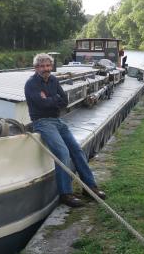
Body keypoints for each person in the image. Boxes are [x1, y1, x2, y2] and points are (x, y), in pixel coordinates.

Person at [24, 53, 106, 208]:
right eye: (42, 66)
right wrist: (53, 99)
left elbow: (64, 101)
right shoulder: (31, 84)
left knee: (77, 150)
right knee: (63, 153)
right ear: (36, 68)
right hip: (42, 122)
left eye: (48, 66)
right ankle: (65, 194)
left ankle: (90, 188)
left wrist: (49, 99)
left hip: (57, 120)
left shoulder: (54, 80)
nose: (46, 69)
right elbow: (42, 105)